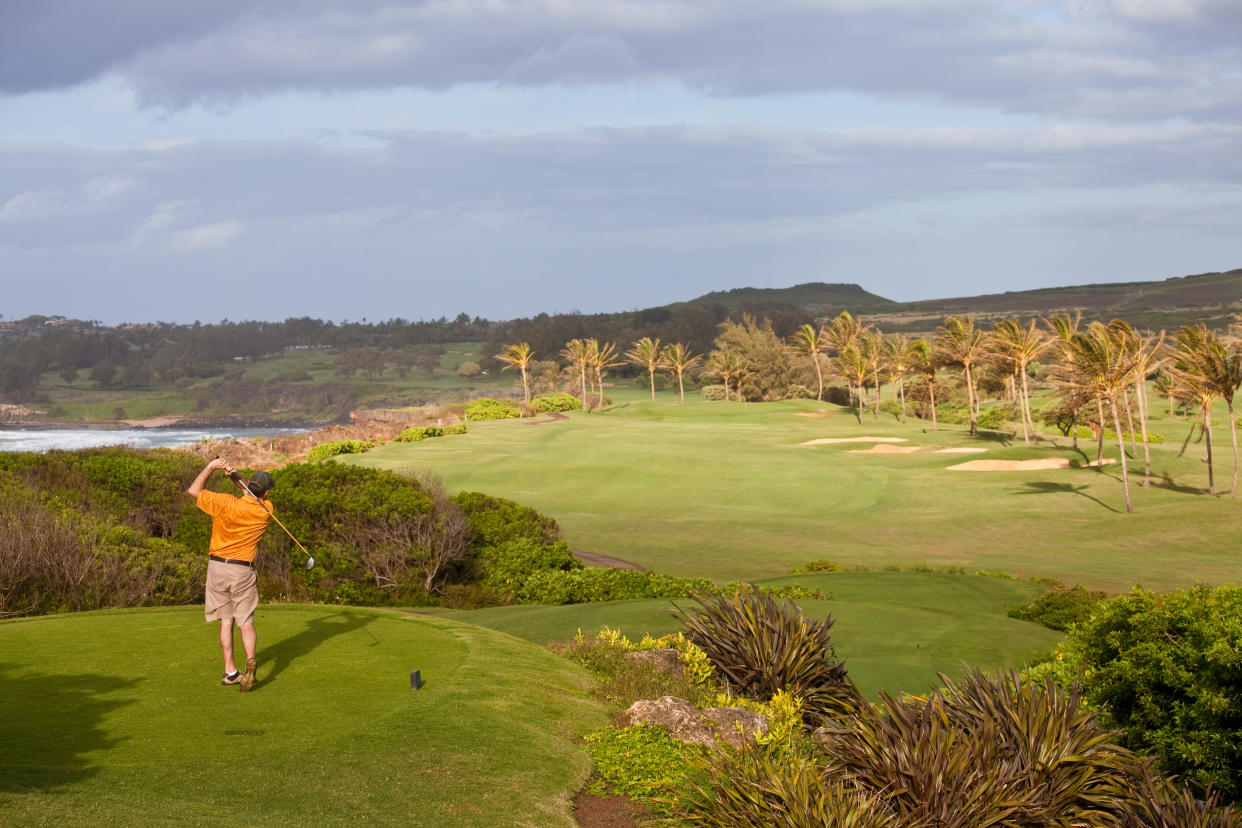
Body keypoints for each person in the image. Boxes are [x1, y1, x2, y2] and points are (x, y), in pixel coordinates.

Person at [186, 458, 275, 692]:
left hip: (216, 567)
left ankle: (230, 671)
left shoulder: (223, 502)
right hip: (241, 570)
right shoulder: (266, 510)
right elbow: (251, 492)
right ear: (266, 492)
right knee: (244, 621)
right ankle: (250, 664)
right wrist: (236, 477)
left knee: (226, 620)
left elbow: (193, 490)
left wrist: (211, 467)